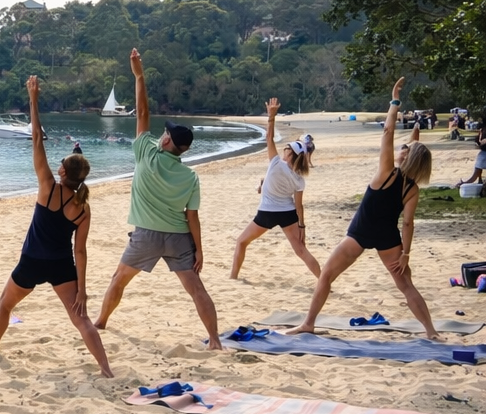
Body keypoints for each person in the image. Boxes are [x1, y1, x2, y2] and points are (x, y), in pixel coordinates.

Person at [289, 78, 439, 338]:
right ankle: (431, 331)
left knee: (326, 275)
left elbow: (387, 132)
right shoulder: (412, 188)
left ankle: (308, 324)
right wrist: (405, 253)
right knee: (406, 285)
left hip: (361, 231)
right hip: (388, 238)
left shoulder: (387, 172)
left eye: (404, 149)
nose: (400, 149)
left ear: (407, 157)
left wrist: (394, 101)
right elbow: (407, 223)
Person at [94, 48, 221, 349]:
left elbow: (142, 113)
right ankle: (215, 340)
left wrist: (139, 76)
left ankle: (101, 322)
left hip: (146, 236)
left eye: (165, 133)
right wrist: (199, 250)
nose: (162, 134)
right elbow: (192, 217)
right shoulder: (190, 177)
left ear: (166, 140)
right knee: (196, 290)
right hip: (179, 238)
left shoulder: (146, 153)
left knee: (119, 279)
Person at [0, 76, 113, 375]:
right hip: (61, 266)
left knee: (4, 305)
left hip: (31, 261)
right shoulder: (82, 208)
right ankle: (106, 368)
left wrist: (33, 99)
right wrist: (82, 290)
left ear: (63, 171)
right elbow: (80, 252)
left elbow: (36, 138)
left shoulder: (48, 187)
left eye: (60, 163)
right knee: (81, 319)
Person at [230, 98, 321, 281]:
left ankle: (233, 277)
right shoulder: (299, 178)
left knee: (241, 242)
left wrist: (271, 116)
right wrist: (302, 226)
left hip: (267, 213)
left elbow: (269, 137)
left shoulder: (276, 163)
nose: (284, 149)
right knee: (301, 251)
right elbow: (299, 206)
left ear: (290, 154)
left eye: (287, 148)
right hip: (288, 214)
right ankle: (323, 281)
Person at [465, 120, 486, 186]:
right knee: (478, 171)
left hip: (483, 154)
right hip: (483, 153)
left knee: (477, 172)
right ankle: (479, 180)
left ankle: (478, 180)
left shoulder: (482, 130)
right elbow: (478, 141)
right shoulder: (482, 131)